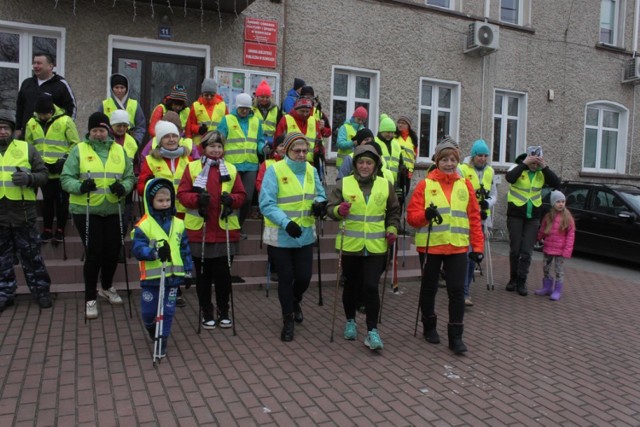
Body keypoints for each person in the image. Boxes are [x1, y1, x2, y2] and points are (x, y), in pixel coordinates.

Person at [407, 140, 484, 354]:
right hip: (431, 247)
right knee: (429, 288)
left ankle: (456, 336)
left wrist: (477, 247)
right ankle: (429, 326)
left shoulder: (465, 184)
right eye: (444, 159)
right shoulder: (425, 185)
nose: (449, 164)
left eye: (453, 160)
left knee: (457, 291)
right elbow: (412, 218)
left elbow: (474, 218)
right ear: (437, 161)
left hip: (458, 247)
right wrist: (425, 215)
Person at [61, 112, 136, 319]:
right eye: (95, 130)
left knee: (113, 251)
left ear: (108, 131)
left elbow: (130, 177)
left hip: (113, 208)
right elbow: (66, 178)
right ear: (89, 132)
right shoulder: (79, 150)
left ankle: (107, 286)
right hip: (86, 209)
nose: (99, 134)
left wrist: (124, 188)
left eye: (102, 130)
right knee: (94, 253)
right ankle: (90, 297)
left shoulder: (119, 151)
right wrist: (80, 185)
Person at [326, 144, 400, 350]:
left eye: (369, 162)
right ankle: (350, 321)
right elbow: (329, 208)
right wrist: (339, 210)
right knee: (351, 285)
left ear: (375, 165)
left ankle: (372, 331)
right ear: (355, 165)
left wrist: (393, 228)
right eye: (361, 162)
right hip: (350, 245)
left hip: (376, 246)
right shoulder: (344, 184)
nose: (365, 166)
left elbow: (394, 210)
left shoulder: (386, 185)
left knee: (370, 286)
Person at [258, 132, 327, 342]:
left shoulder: (311, 170)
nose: (301, 154)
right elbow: (266, 204)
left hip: (305, 234)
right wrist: (286, 222)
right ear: (287, 150)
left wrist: (319, 204)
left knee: (304, 277)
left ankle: (295, 300)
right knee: (286, 278)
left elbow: (320, 193)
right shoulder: (275, 170)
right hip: (281, 235)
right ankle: (287, 319)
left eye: (305, 151)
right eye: (297, 150)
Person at [177, 130, 246, 330]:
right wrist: (198, 199)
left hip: (225, 231)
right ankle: (206, 310)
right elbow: (182, 194)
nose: (216, 150)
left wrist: (231, 200)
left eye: (219, 146)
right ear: (204, 148)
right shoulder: (192, 168)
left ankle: (224, 310)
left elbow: (241, 195)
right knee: (204, 276)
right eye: (212, 146)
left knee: (223, 276)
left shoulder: (231, 169)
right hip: (201, 231)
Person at [131, 178, 194, 358]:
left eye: (168, 200)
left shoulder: (179, 223)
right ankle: (152, 329)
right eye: (160, 200)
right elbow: (137, 248)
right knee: (148, 312)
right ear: (150, 201)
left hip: (173, 278)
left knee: (167, 311)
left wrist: (188, 271)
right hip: (152, 278)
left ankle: (162, 340)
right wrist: (154, 253)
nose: (165, 204)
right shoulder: (143, 225)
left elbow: (185, 249)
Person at [0, 109, 53, 311]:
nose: (2, 132)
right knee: (2, 261)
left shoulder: (26, 149)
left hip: (23, 214)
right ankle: (5, 293)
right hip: (1, 216)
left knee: (32, 258)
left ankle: (41, 291)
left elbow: (44, 174)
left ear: (12, 130)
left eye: (5, 128)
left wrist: (29, 179)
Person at [24, 93, 80, 243]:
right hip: (42, 170)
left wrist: (64, 160)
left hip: (60, 169)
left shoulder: (65, 121)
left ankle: (60, 230)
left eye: (46, 114)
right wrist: (35, 164)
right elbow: (28, 146)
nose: (44, 117)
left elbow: (75, 144)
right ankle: (47, 229)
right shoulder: (31, 123)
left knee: (62, 201)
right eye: (41, 114)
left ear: (52, 111)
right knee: (47, 201)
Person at [505, 146, 560, 296]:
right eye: (532, 162)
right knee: (515, 249)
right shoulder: (518, 169)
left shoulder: (541, 173)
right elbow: (509, 178)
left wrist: (544, 166)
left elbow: (556, 183)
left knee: (527, 251)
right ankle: (513, 279)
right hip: (516, 214)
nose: (534, 165)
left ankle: (522, 281)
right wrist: (524, 163)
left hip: (533, 217)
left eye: (537, 162)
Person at [217, 93, 265, 231]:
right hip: (231, 166)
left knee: (247, 199)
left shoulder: (256, 121)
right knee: (231, 198)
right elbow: (219, 139)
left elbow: (259, 140)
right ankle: (229, 227)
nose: (244, 111)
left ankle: (238, 226)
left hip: (250, 165)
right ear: (236, 107)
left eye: (247, 108)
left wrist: (263, 148)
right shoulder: (227, 120)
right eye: (241, 108)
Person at [459, 139, 497, 306]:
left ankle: (465, 288)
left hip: (481, 218)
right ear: (473, 156)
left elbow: (494, 194)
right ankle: (464, 291)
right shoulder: (462, 169)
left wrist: (487, 203)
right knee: (466, 255)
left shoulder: (490, 171)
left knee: (474, 256)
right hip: (465, 218)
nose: (482, 158)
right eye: (479, 155)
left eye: (485, 155)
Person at [15, 52, 77, 139]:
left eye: (39, 63)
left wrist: (66, 128)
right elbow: (20, 108)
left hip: (52, 136)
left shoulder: (61, 85)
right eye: (34, 63)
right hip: (27, 135)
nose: (35, 66)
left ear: (50, 66)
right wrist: (18, 128)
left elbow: (72, 108)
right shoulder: (27, 83)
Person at [534, 190, 575, 301]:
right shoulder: (548, 216)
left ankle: (557, 290)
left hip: (560, 250)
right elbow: (542, 229)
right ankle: (547, 288)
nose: (561, 204)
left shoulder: (568, 218)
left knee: (559, 270)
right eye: (558, 202)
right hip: (548, 248)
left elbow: (571, 235)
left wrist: (567, 250)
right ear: (553, 203)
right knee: (546, 268)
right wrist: (537, 238)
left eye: (563, 201)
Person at [98, 73, 146, 145]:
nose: (119, 90)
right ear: (112, 88)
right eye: (116, 87)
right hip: (108, 142)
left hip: (129, 142)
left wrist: (136, 140)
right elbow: (98, 125)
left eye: (122, 87)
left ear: (126, 89)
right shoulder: (104, 104)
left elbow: (141, 126)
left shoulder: (135, 104)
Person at [274, 98, 320, 165]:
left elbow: (318, 141)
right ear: (295, 110)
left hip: (309, 163)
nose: (305, 114)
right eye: (302, 111)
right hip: (289, 162)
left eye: (307, 111)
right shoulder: (286, 119)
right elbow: (278, 141)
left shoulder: (313, 121)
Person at [185, 78, 228, 146]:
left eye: (212, 95)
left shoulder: (222, 105)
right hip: (199, 144)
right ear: (202, 94)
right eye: (206, 95)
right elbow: (189, 125)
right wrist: (198, 129)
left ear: (215, 94)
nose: (209, 97)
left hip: (217, 142)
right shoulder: (196, 105)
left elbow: (227, 124)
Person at [252, 80, 281, 154]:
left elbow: (279, 126)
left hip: (270, 142)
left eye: (267, 97)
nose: (264, 99)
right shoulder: (252, 108)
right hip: (255, 140)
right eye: (262, 97)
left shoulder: (275, 109)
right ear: (257, 97)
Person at [395, 115, 418, 201]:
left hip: (408, 171)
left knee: (405, 194)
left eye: (403, 123)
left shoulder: (413, 138)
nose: (400, 125)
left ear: (408, 125)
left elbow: (415, 154)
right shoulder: (394, 136)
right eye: (399, 123)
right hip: (397, 170)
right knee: (397, 196)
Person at [375, 114, 402, 184]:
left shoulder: (396, 143)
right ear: (381, 131)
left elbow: (400, 161)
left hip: (394, 181)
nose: (390, 135)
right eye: (388, 132)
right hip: (379, 180)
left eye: (392, 132)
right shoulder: (375, 142)